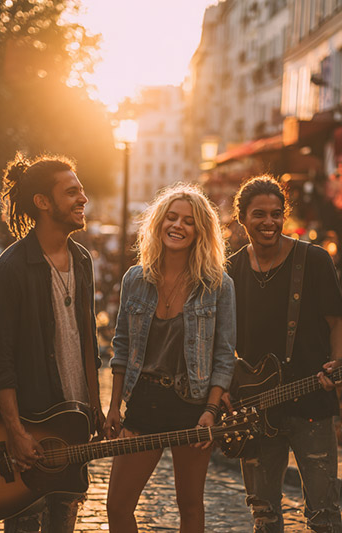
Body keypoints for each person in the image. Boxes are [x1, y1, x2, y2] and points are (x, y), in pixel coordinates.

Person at [0, 153, 104, 533]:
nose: (82, 199)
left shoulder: (82, 260)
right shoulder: (11, 268)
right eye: (71, 193)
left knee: (63, 524)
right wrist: (15, 431)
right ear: (42, 202)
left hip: (74, 426)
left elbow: (87, 341)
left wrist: (96, 406)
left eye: (82, 191)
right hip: (32, 428)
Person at [104, 183, 236, 533]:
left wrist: (210, 410)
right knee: (117, 506)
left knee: (189, 505)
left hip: (192, 405)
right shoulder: (136, 278)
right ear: (159, 222)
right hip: (145, 399)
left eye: (189, 221)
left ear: (200, 232)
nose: (178, 226)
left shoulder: (218, 285)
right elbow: (121, 345)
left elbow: (224, 355)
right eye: (172, 217)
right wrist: (115, 406)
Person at [226, 175, 342, 532]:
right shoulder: (231, 269)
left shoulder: (312, 260)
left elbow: (338, 323)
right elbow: (224, 341)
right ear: (242, 218)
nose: (269, 222)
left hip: (312, 401)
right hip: (256, 408)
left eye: (276, 214)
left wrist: (339, 363)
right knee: (264, 512)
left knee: (324, 511)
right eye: (259, 214)